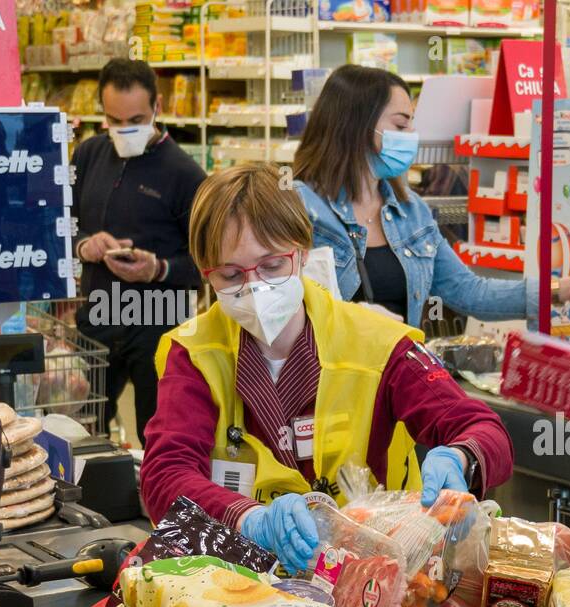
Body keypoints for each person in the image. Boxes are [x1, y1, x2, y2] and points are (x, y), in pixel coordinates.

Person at [141, 163, 513, 573]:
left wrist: (460, 456)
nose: (256, 288)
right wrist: (249, 518)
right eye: (231, 275)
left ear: (301, 252)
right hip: (247, 581)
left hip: (377, 576)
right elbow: (163, 474)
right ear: (206, 274)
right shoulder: (194, 352)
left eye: (271, 266)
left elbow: (485, 430)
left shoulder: (378, 343)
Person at [292, 65, 539, 327]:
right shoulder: (301, 207)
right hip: (334, 367)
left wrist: (558, 291)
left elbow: (470, 292)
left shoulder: (410, 211)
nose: (411, 137)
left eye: (412, 125)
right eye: (400, 125)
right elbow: (280, 310)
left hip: (399, 365)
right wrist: (349, 319)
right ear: (356, 125)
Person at [73, 57, 205, 444]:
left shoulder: (186, 175)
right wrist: (86, 245)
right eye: (115, 120)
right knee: (84, 428)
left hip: (159, 321)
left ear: (157, 109)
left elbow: (208, 262)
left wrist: (158, 268)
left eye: (136, 119)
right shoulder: (88, 155)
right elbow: (64, 224)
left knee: (160, 435)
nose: (125, 129)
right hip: (99, 312)